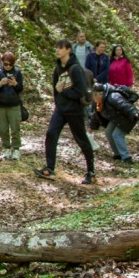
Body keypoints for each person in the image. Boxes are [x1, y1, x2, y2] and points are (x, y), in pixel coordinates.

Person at [34, 39, 95, 184]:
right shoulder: (57, 69)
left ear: (68, 50)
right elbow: (56, 89)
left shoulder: (75, 69)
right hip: (61, 109)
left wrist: (64, 92)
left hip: (74, 110)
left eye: (60, 48)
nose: (57, 50)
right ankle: (49, 168)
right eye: (56, 48)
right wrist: (59, 98)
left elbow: (79, 91)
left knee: (81, 140)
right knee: (51, 134)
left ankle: (91, 171)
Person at [90, 83, 139, 164]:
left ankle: (126, 157)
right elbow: (95, 115)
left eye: (95, 95)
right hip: (116, 119)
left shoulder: (113, 96)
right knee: (108, 132)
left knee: (117, 135)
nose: (94, 97)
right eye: (93, 95)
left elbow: (125, 105)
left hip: (127, 117)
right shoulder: (97, 102)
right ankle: (118, 154)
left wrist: (135, 113)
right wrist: (91, 128)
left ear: (101, 94)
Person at [0, 51, 23, 160]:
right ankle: (6, 148)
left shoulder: (17, 72)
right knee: (3, 129)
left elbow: (21, 89)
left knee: (15, 128)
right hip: (1, 105)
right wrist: (0, 83)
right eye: (6, 64)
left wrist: (15, 84)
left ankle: (16, 149)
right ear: (2, 63)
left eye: (10, 64)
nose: (8, 66)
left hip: (14, 104)